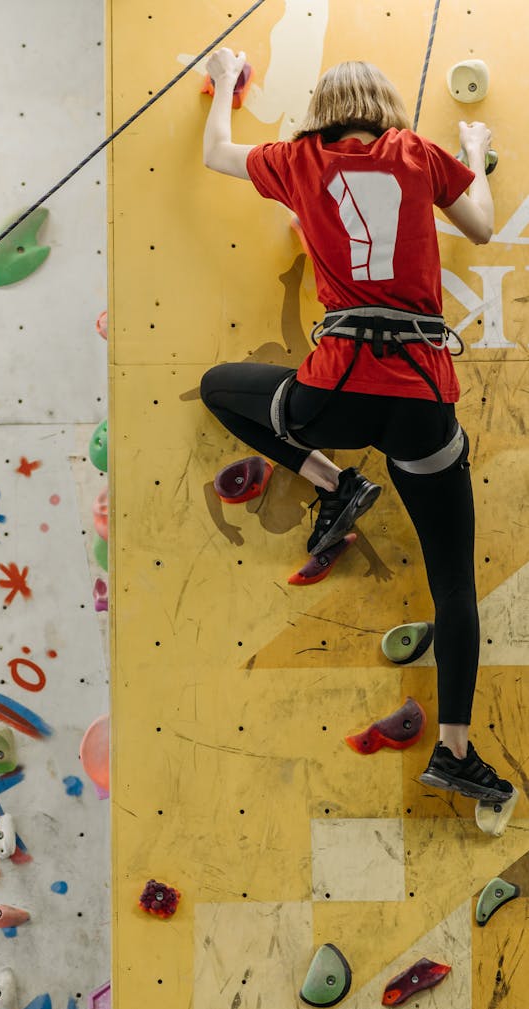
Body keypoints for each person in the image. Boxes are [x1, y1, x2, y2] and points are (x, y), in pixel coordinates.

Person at [200, 52, 513, 803]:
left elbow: (215, 151)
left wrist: (223, 78)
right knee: (452, 584)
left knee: (221, 389)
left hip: (333, 387)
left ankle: (334, 484)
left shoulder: (297, 157)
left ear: (322, 107)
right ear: (386, 104)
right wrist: (472, 154)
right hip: (419, 392)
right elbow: (482, 225)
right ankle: (454, 750)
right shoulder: (416, 153)